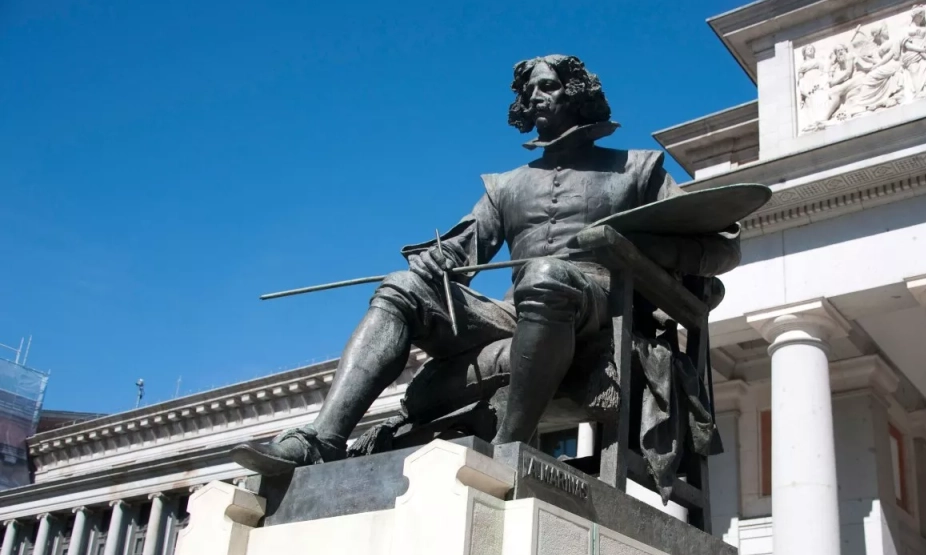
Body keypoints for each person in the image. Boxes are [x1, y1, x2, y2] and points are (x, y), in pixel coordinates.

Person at [233, 55, 740, 474]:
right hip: (517, 311)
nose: (535, 97)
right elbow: (460, 253)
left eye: (548, 87)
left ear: (577, 93)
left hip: (599, 311)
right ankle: (323, 440)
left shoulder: (638, 169)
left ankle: (507, 451)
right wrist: (434, 266)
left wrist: (655, 254)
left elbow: (723, 247)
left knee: (546, 277)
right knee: (401, 285)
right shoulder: (508, 185)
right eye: (529, 92)